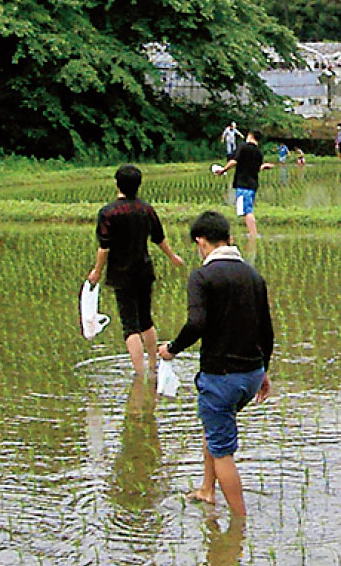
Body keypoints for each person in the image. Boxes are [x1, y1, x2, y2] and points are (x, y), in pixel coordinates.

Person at [158, 211, 273, 519]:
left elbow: (196, 323)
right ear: (229, 239)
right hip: (250, 375)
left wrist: (171, 349)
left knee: (223, 450)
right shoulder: (253, 275)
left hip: (221, 376)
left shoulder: (202, 276)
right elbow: (267, 330)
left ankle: (239, 524)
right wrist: (264, 372)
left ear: (201, 242)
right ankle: (207, 490)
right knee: (215, 428)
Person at [87, 165, 185, 375]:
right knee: (146, 320)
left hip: (121, 274)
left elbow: (104, 247)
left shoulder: (108, 212)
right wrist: (173, 256)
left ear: (117, 184)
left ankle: (139, 376)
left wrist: (96, 271)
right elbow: (158, 237)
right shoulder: (146, 209)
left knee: (130, 326)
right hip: (143, 271)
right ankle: (153, 366)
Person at [216, 130, 274, 240]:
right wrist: (264, 166)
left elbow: (234, 161)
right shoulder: (259, 152)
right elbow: (257, 169)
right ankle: (252, 233)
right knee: (246, 209)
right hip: (252, 185)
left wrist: (223, 170)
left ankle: (253, 234)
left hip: (243, 184)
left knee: (247, 211)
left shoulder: (243, 147)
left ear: (250, 136)